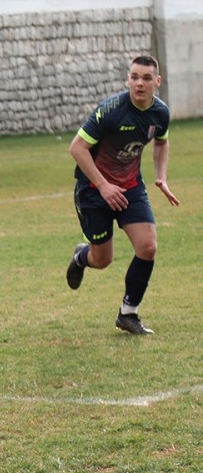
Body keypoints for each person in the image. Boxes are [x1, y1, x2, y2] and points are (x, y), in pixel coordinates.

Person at [65, 55, 179, 335]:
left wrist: (161, 175)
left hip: (130, 188)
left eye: (146, 78)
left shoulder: (160, 113)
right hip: (93, 191)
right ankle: (81, 257)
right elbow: (77, 148)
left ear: (157, 82)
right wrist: (104, 185)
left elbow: (161, 142)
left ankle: (128, 314)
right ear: (128, 79)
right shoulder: (112, 110)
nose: (139, 83)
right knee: (102, 260)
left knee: (148, 247)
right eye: (135, 77)